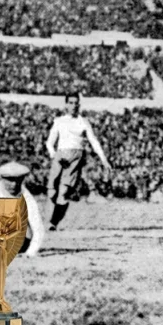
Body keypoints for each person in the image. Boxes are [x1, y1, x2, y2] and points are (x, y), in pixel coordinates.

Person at [46, 92, 112, 231]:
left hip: (75, 158)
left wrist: (104, 160)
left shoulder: (83, 121)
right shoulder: (59, 121)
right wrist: (54, 155)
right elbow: (49, 143)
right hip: (60, 157)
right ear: (66, 104)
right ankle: (55, 215)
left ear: (79, 104)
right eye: (70, 103)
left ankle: (53, 223)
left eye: (76, 103)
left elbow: (94, 141)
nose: (73, 106)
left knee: (63, 192)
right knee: (52, 192)